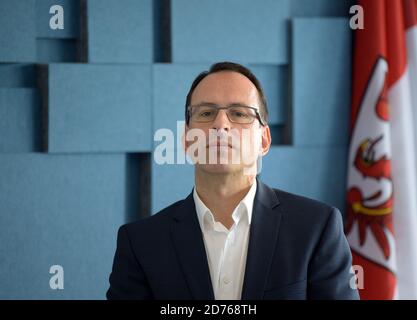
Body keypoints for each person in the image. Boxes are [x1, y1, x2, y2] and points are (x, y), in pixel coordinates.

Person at [106, 61, 359, 300]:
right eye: (206, 113)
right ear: (186, 139)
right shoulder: (141, 243)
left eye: (239, 113)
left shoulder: (316, 228)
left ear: (264, 140)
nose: (221, 125)